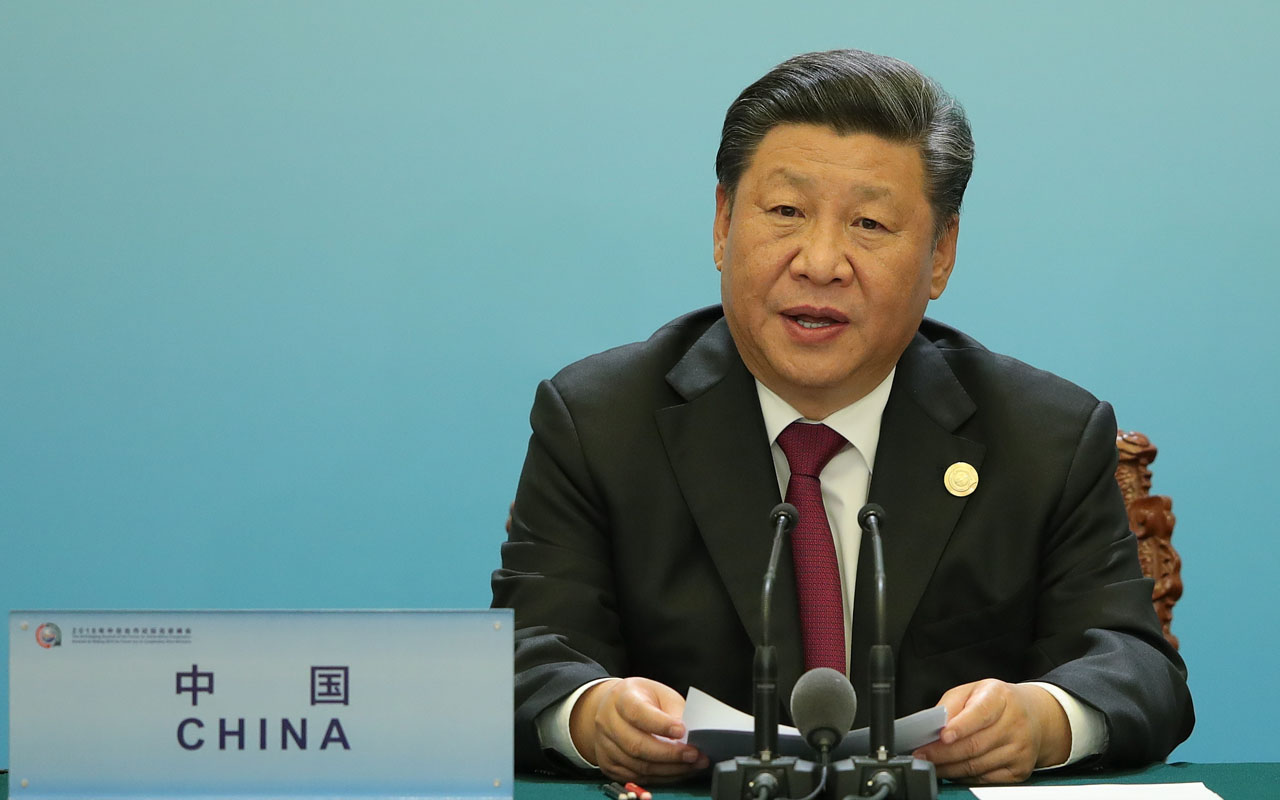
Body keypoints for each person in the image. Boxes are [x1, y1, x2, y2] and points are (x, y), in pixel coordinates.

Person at [491, 49, 1193, 786]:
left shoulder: (1043, 436)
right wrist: (588, 713)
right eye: (786, 212)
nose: (821, 262)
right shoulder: (602, 421)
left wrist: (1044, 721)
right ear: (723, 224)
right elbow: (521, 655)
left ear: (941, 254)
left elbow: (1140, 670)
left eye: (869, 223)